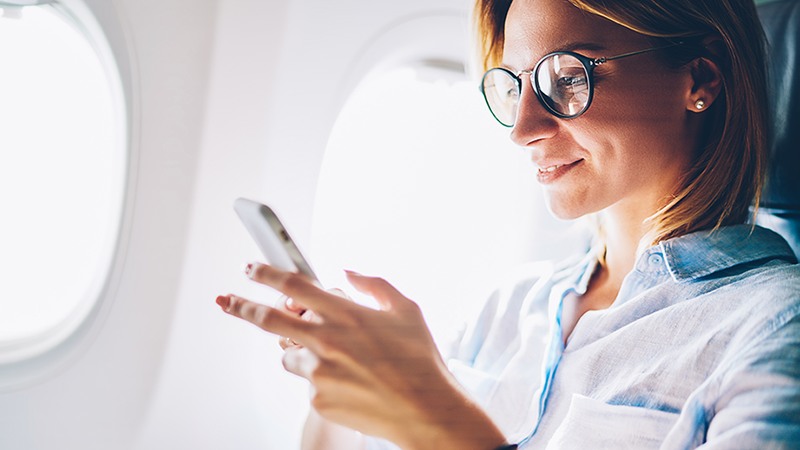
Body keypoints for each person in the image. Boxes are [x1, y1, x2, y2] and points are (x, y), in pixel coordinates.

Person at [215, 0, 800, 448]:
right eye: (515, 85)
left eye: (566, 77)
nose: (522, 129)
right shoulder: (507, 311)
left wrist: (440, 420)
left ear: (700, 79)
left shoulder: (775, 324)